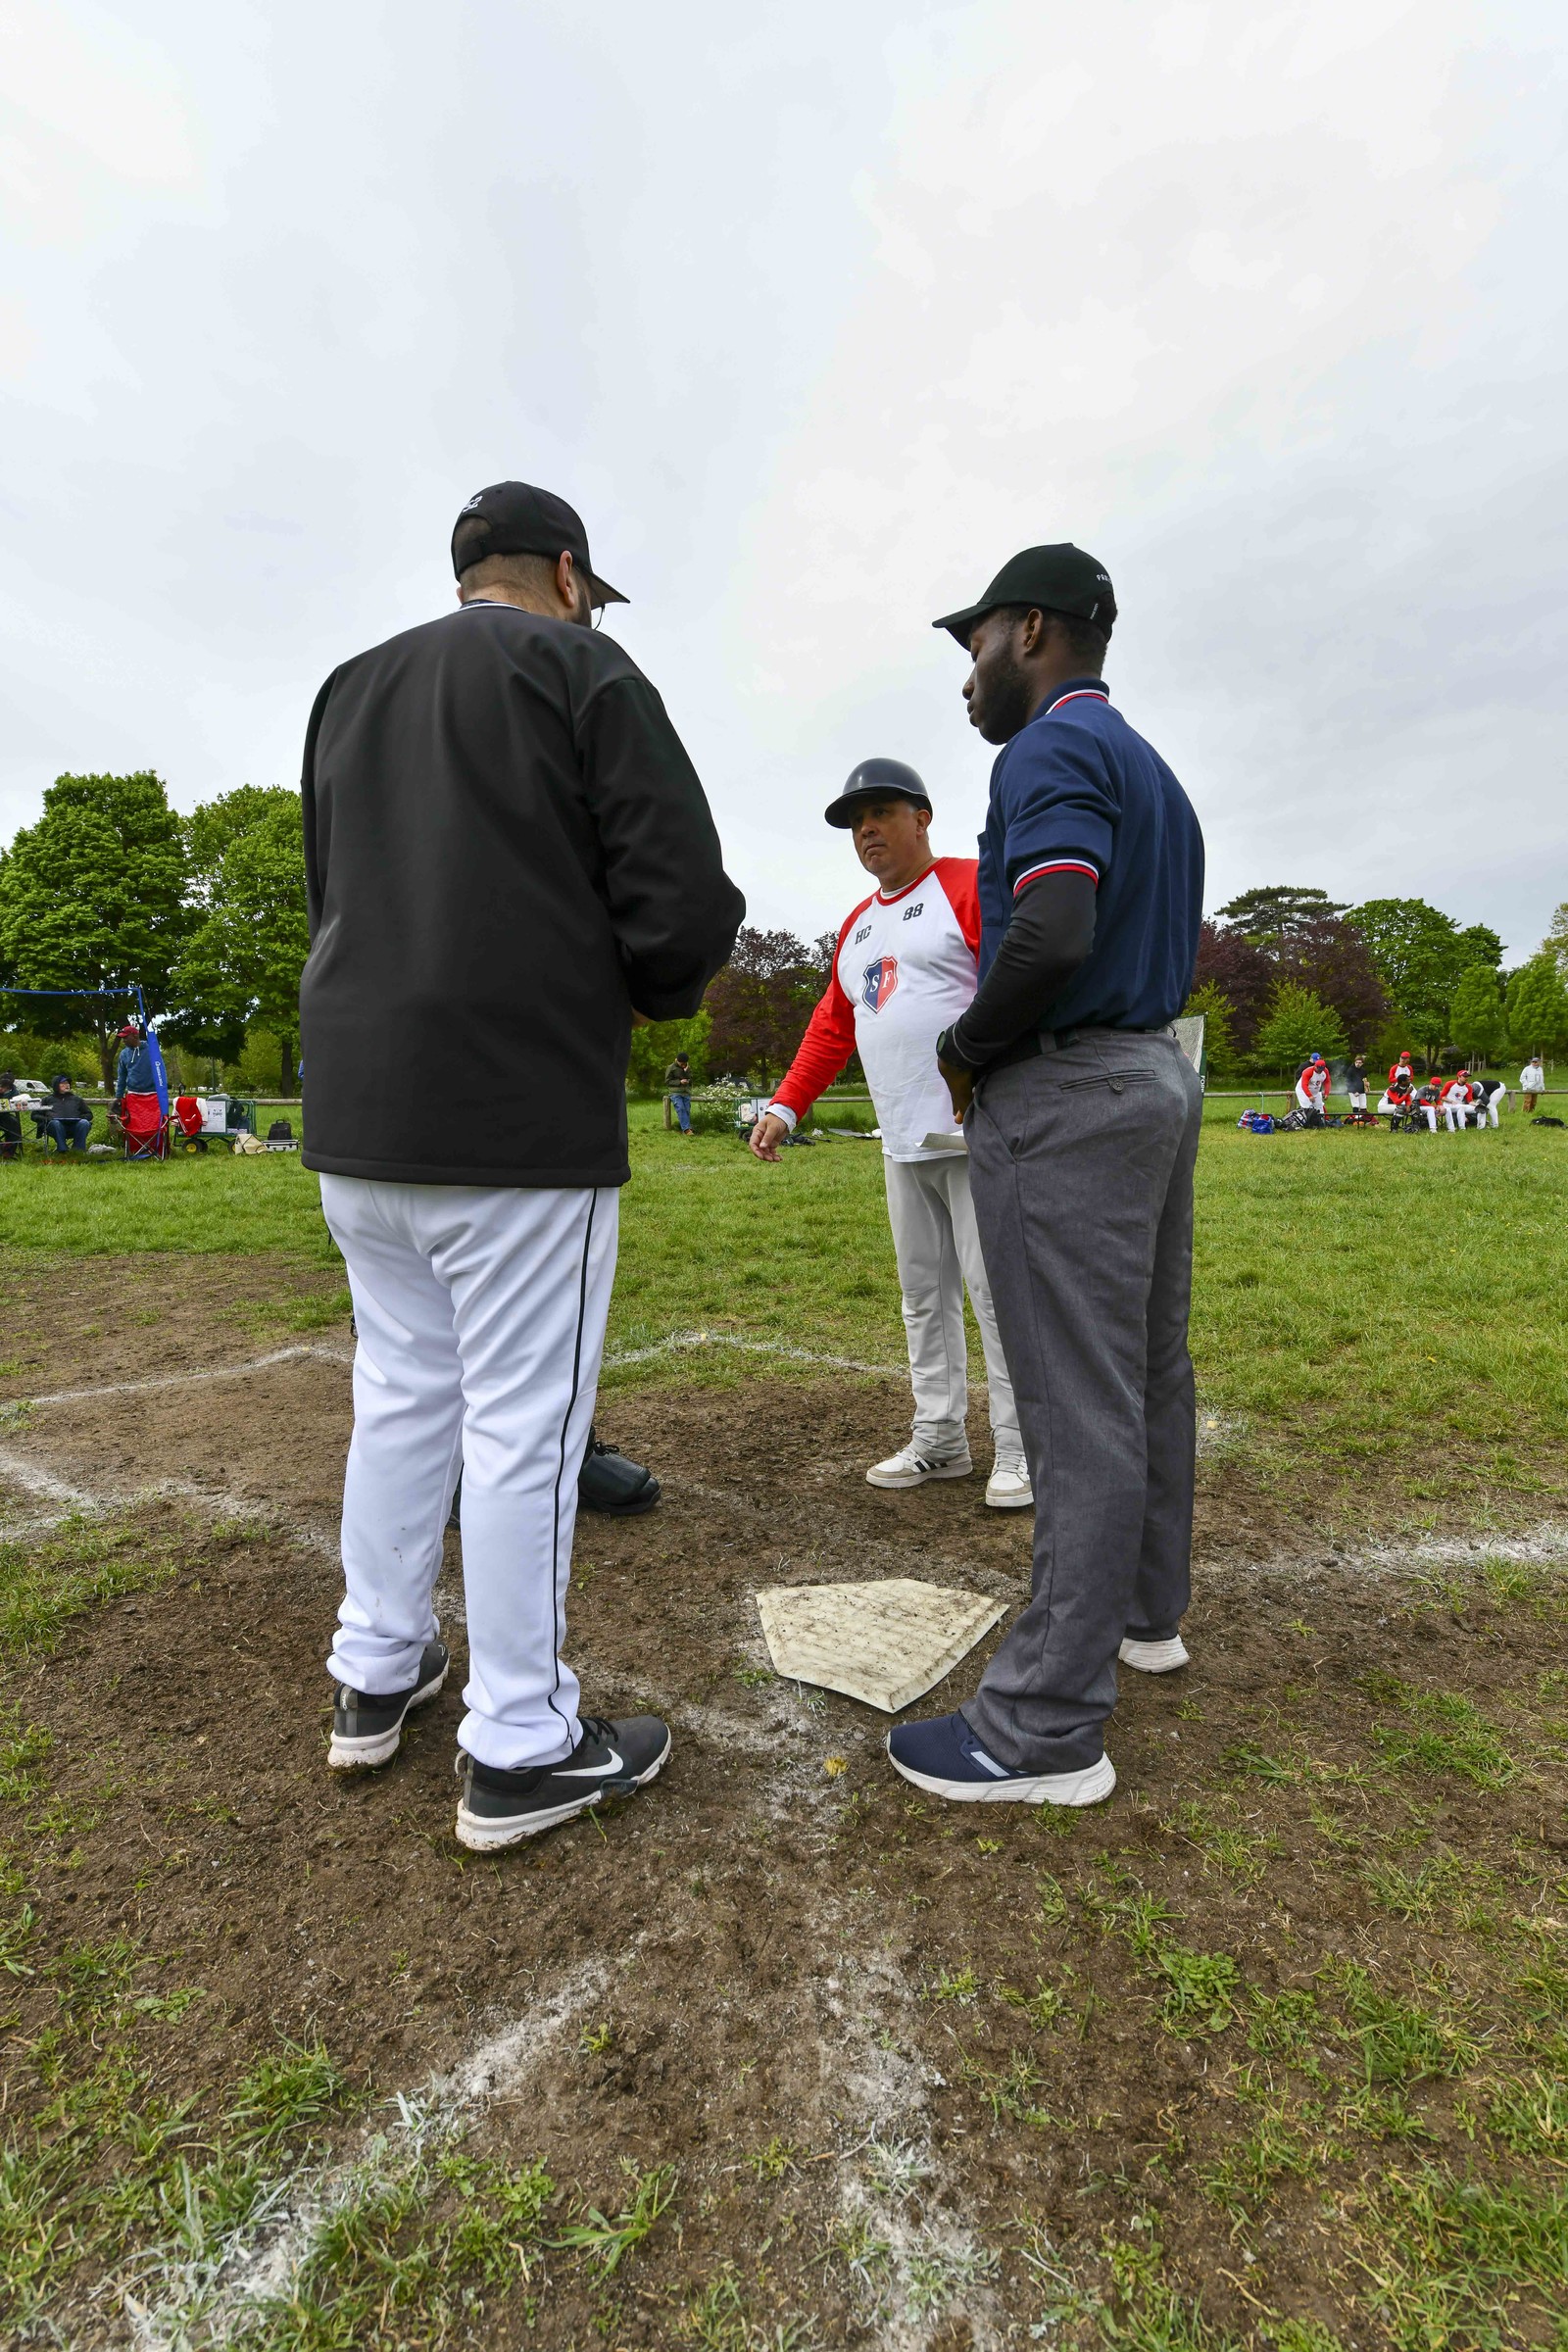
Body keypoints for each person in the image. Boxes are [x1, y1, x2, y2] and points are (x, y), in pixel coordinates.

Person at [300, 479, 744, 1850]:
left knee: (402, 1398)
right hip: (513, 1112)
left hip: (362, 1110)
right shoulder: (580, 661)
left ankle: (375, 1672)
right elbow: (680, 902)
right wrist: (643, 991)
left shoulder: (347, 687)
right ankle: (522, 1742)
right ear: (564, 571)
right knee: (521, 1426)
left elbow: (335, 886)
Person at [884, 542, 1203, 1811]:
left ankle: (1045, 1727)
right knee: (1144, 1368)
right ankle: (1144, 1612)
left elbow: (1057, 925)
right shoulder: (1155, 768)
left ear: (1030, 630)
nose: (967, 680)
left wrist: (968, 1047)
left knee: (1076, 1397)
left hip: (1070, 1091)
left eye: (974, 648)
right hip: (1151, 1077)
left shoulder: (1048, 749)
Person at [749, 761, 1029, 1508]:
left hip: (979, 1137)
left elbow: (1017, 987)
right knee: (922, 1298)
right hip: (902, 1142)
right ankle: (941, 1441)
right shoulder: (857, 925)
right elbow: (832, 1026)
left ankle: (1022, 1448)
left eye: (880, 813)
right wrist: (787, 1105)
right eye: (855, 821)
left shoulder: (968, 886)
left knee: (996, 1295)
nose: (866, 830)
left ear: (922, 816)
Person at [45, 1075, 93, 1154]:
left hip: (74, 1127)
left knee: (84, 1123)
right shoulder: (47, 1099)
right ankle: (62, 1150)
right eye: (63, 1083)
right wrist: (48, 1119)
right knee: (55, 1123)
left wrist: (79, 1118)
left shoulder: (77, 1099)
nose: (67, 1085)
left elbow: (89, 1114)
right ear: (56, 1085)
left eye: (67, 1083)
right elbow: (35, 1115)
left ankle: (78, 1150)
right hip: (55, 1127)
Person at [664, 1051, 694, 1136]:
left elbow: (691, 1079)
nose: (683, 1065)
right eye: (682, 1064)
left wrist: (686, 1073)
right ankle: (686, 1130)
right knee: (680, 1109)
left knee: (687, 1110)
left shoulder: (687, 1067)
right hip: (675, 1093)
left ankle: (687, 1128)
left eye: (685, 1064)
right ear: (677, 1060)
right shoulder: (671, 1068)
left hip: (686, 1092)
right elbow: (667, 1081)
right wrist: (680, 1082)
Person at [1294, 1053, 1329, 1119]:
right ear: (1315, 1066)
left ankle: (1321, 1121)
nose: (1320, 1071)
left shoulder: (1325, 1071)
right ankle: (1306, 1121)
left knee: (1319, 1107)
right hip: (1303, 1090)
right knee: (1307, 1107)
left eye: (1322, 1069)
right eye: (1319, 1069)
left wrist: (1327, 1092)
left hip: (1315, 1090)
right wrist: (1309, 1095)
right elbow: (1304, 1085)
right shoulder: (1308, 1071)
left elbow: (1327, 1082)